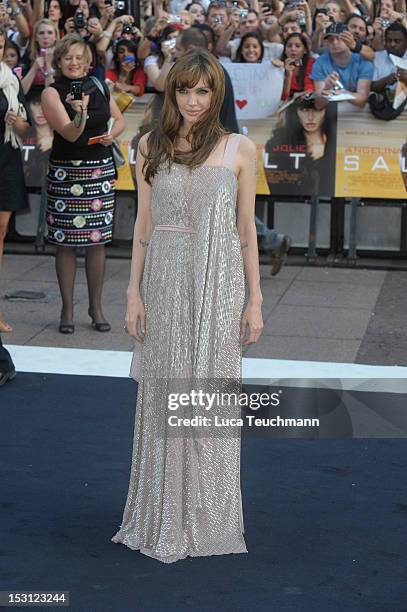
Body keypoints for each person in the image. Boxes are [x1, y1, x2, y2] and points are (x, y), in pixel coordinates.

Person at [111, 49, 263, 563]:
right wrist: (133, 292)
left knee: (210, 399)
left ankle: (209, 515)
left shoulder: (241, 149)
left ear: (216, 94)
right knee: (164, 396)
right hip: (167, 280)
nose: (193, 101)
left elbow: (246, 231)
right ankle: (161, 513)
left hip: (219, 282)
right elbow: (142, 227)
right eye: (184, 90)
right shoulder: (150, 144)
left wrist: (254, 300)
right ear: (171, 93)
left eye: (203, 91)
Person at [41, 34, 125, 334]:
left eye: (79, 57)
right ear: (58, 61)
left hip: (99, 171)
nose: (74, 62)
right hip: (66, 173)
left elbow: (119, 119)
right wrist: (80, 113)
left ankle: (96, 307)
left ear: (89, 61)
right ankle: (67, 309)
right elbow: (70, 134)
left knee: (97, 242)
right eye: (67, 58)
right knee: (64, 244)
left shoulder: (100, 85)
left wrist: (111, 135)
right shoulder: (52, 93)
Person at [0, 26, 30, 334]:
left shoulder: (9, 80)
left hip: (6, 160)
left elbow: (24, 129)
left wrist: (17, 121)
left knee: (1, 232)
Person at [264, 96, 337, 197]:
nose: (310, 117)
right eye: (303, 110)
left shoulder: (337, 144)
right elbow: (276, 187)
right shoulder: (277, 143)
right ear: (295, 112)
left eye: (317, 110)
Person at [311, 21, 374, 106]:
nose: (335, 42)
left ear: (349, 39)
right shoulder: (319, 63)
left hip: (356, 113)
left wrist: (341, 92)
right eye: (330, 39)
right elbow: (318, 105)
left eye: (339, 38)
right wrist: (326, 87)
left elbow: (362, 99)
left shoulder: (363, 60)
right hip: (330, 113)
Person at [281, 32, 315, 100]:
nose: (293, 49)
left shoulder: (311, 63)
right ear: (285, 50)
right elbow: (283, 97)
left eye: (297, 46)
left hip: (308, 102)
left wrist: (300, 94)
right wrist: (289, 75)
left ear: (305, 50)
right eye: (289, 46)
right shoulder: (279, 66)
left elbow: (310, 89)